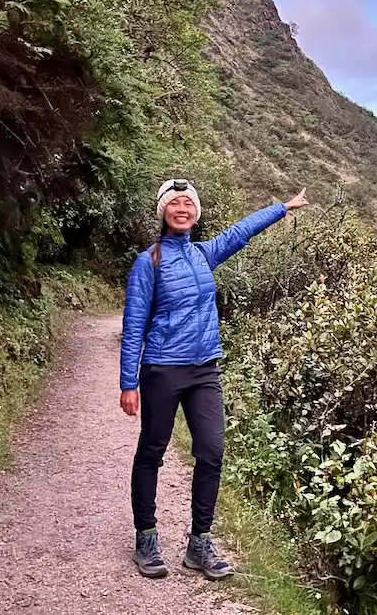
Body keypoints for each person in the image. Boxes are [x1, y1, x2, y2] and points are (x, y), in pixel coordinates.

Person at [119, 179, 309, 580]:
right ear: (163, 212)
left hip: (205, 368)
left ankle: (199, 543)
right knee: (152, 450)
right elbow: (134, 325)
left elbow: (240, 231)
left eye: (189, 202)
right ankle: (146, 537)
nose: (182, 208)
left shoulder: (204, 254)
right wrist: (128, 383)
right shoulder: (147, 262)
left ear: (196, 212)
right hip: (162, 368)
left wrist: (283, 208)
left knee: (211, 451)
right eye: (174, 203)